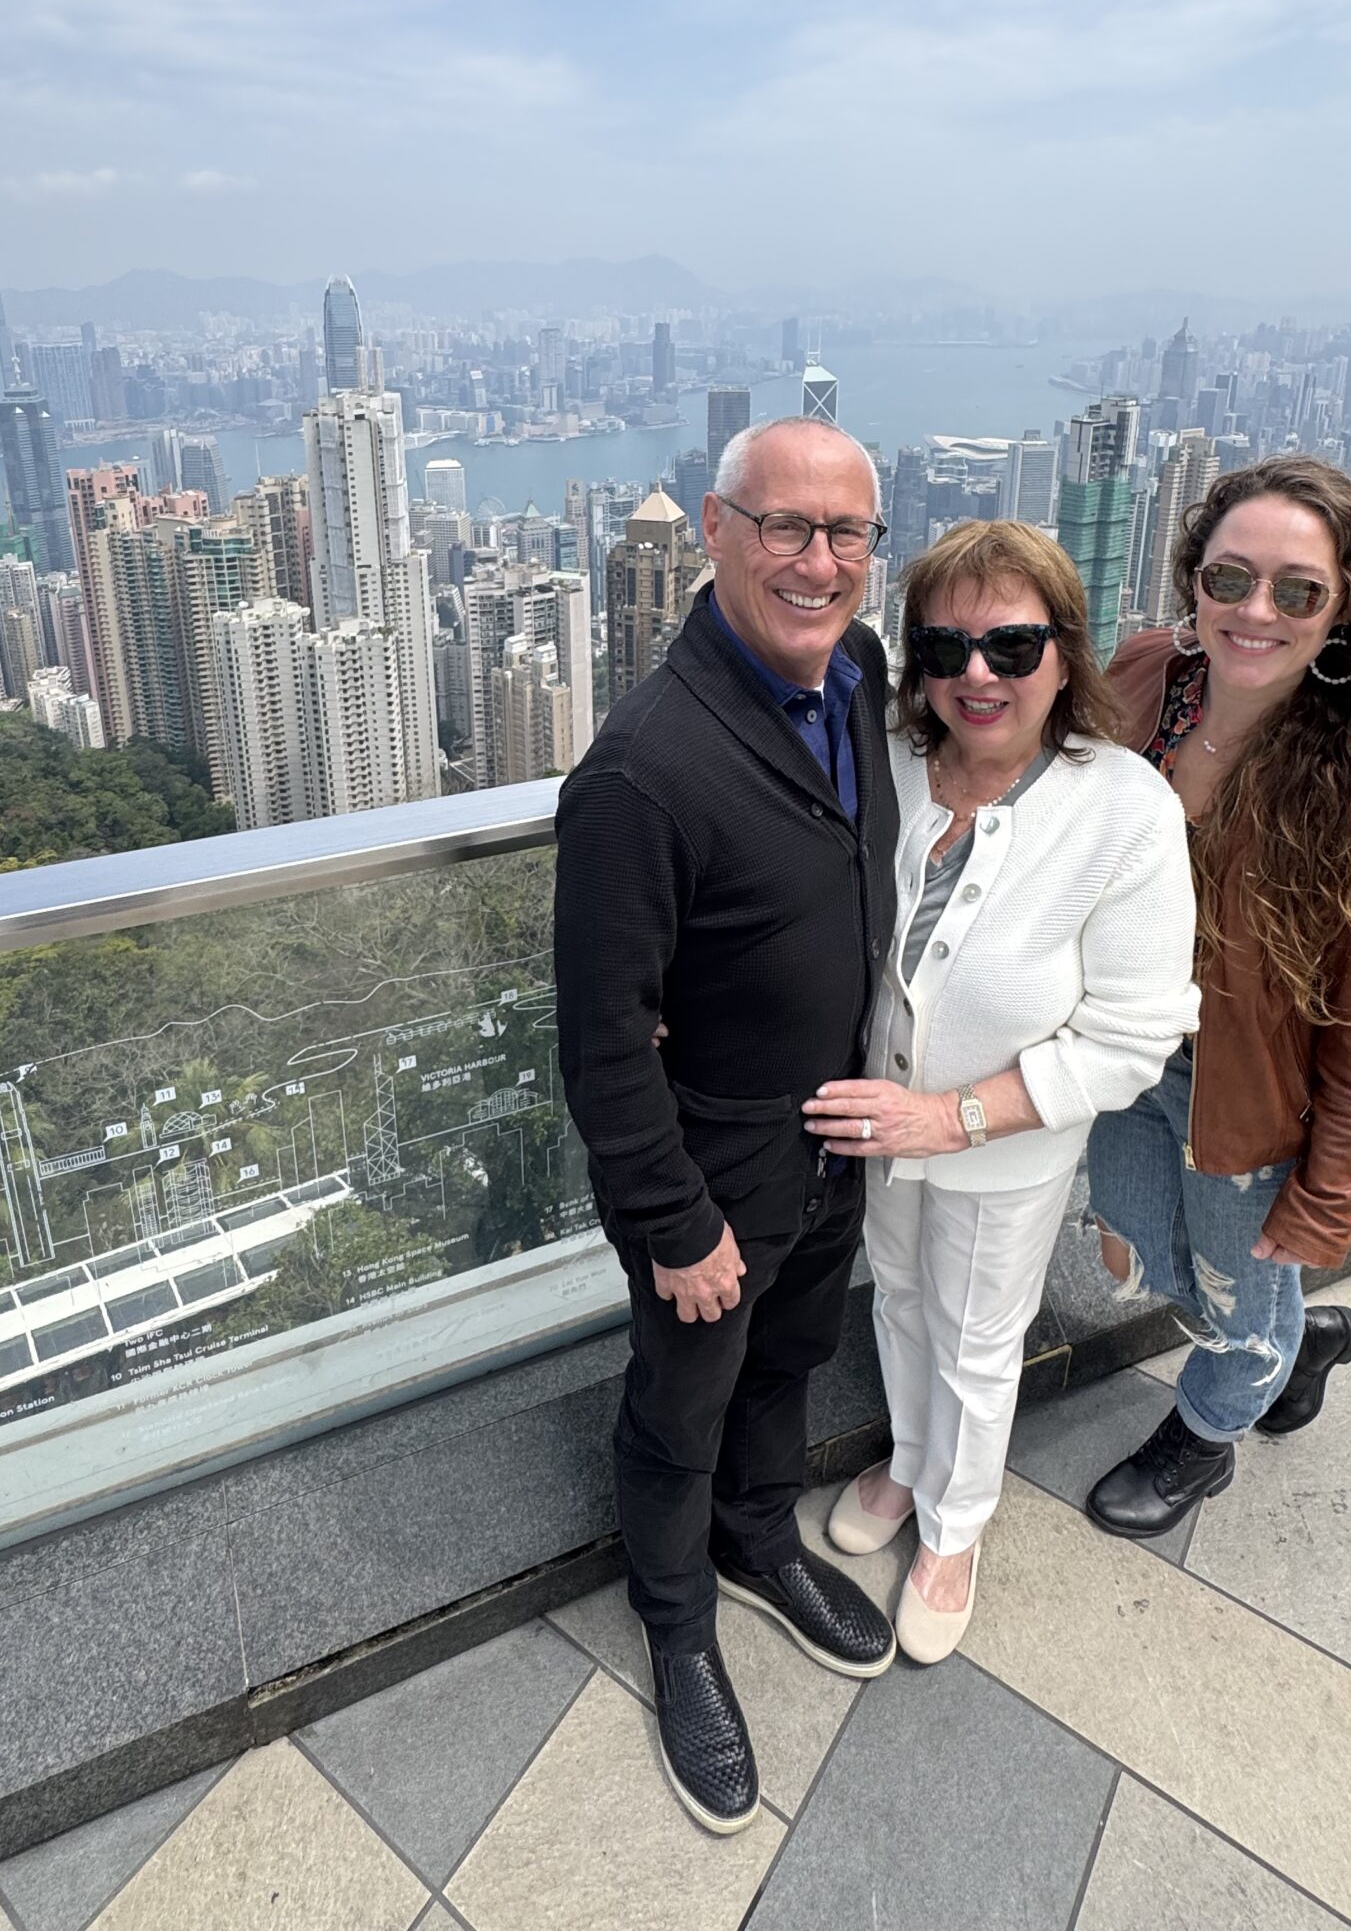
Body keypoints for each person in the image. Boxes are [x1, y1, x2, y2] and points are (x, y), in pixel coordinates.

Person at [553, 417, 901, 1837]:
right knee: (682, 1397)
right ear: (716, 530)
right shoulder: (643, 768)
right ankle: (679, 1622)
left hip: (836, 1135)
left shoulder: (861, 675)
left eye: (849, 535)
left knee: (796, 1357)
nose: (817, 562)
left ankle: (764, 1536)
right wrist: (674, 1220)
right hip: (714, 1163)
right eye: (786, 528)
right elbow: (596, 1036)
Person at [805, 522, 1198, 1661]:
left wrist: (954, 1115)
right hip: (875, 1122)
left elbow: (1132, 1038)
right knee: (897, 1299)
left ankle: (955, 1527)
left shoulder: (1121, 807)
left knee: (979, 1333)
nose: (978, 674)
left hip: (1005, 1143)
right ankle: (914, 1460)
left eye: (1014, 645)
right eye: (947, 645)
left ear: (1064, 656)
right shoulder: (881, 753)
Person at [1083, 456, 1351, 1537]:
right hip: (1120, 1048)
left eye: (1297, 591)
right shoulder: (1143, 676)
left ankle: (1207, 1432)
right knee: (1144, 1249)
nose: (1256, 610)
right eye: (1231, 577)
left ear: (1341, 615)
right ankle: (1301, 1341)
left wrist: (1328, 1194)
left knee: (1236, 1298)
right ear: (1193, 581)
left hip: (1241, 1099)